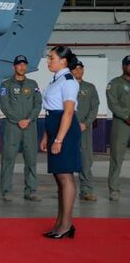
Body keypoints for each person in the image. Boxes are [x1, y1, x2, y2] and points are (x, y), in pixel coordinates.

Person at [40, 46, 81, 239]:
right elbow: (51, 109)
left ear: (63, 61)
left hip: (64, 129)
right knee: (59, 178)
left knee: (65, 177)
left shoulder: (68, 81)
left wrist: (58, 139)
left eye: (52, 58)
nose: (49, 61)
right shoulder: (56, 79)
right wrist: (47, 136)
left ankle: (66, 225)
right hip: (54, 126)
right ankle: (60, 223)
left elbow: (68, 112)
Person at [0, 55, 42, 202]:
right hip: (13, 127)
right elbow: (4, 105)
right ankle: (6, 191)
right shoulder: (6, 85)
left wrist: (28, 119)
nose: (22, 67)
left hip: (30, 127)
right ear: (14, 67)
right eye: (19, 64)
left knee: (31, 159)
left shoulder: (33, 84)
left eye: (24, 64)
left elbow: (38, 104)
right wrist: (18, 120)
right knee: (8, 158)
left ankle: (30, 190)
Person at [71, 60, 99, 201]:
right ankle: (65, 190)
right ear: (70, 71)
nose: (78, 71)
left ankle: (86, 190)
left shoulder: (90, 88)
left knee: (86, 160)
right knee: (66, 160)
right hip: (68, 129)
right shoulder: (66, 86)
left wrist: (86, 123)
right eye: (75, 69)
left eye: (80, 69)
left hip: (84, 129)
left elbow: (94, 108)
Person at [106, 55, 130, 201]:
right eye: (128, 65)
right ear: (123, 66)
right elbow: (112, 103)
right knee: (117, 156)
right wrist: (126, 116)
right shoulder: (115, 83)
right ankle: (114, 189)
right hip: (122, 123)